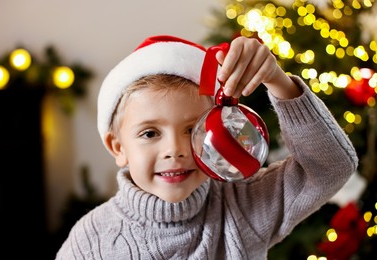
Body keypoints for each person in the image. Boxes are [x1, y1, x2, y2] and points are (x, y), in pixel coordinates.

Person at [55, 35, 358, 259]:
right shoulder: (90, 242)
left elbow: (331, 167)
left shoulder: (243, 207)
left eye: (192, 129)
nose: (175, 149)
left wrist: (277, 80)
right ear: (117, 147)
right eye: (149, 133)